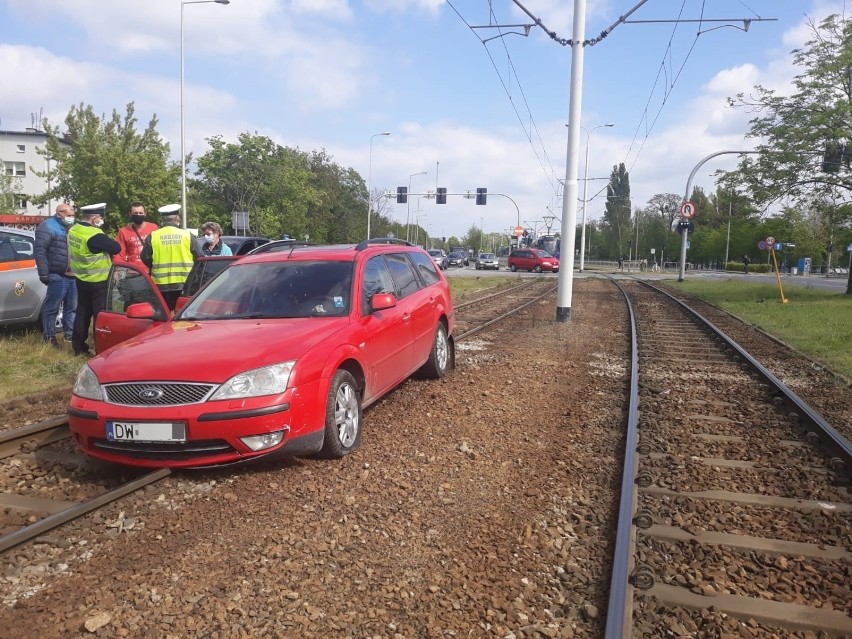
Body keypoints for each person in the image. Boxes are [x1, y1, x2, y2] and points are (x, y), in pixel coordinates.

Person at [68, 203, 121, 356]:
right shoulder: (94, 234)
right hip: (99, 281)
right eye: (100, 218)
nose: (101, 220)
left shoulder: (74, 230)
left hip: (81, 277)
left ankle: (78, 347)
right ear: (94, 218)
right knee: (100, 316)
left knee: (82, 313)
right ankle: (102, 347)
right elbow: (116, 248)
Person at [33, 203, 78, 349]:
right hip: (57, 274)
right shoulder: (47, 226)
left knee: (72, 308)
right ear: (59, 213)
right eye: (69, 215)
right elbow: (40, 251)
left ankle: (69, 335)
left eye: (73, 214)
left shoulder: (73, 228)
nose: (72, 217)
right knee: (52, 307)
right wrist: (44, 273)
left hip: (74, 275)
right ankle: (49, 336)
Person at [141, 204, 200, 312]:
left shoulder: (153, 236)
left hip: (160, 285)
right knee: (184, 315)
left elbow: (145, 257)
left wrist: (155, 266)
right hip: (184, 283)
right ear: (177, 219)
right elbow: (199, 257)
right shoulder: (187, 235)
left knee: (163, 316)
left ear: (163, 220)